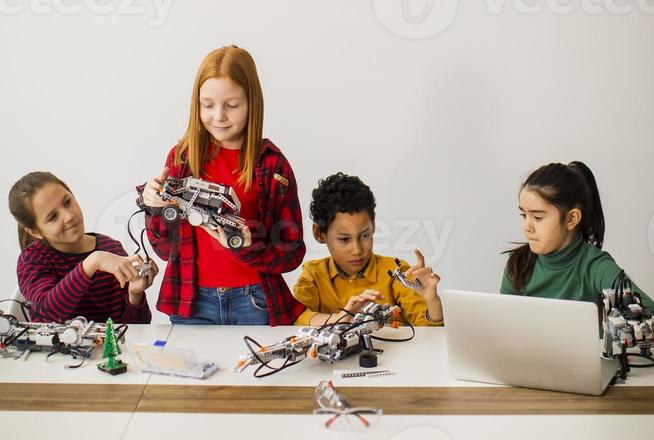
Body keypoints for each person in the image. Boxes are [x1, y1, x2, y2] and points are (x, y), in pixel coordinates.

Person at [138, 45, 305, 325]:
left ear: (252, 102)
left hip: (255, 299)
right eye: (208, 105)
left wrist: (249, 245)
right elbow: (166, 250)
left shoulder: (272, 165)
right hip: (192, 301)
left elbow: (292, 251)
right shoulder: (182, 159)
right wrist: (153, 206)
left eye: (231, 105)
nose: (219, 116)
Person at [293, 172, 443, 326]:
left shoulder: (396, 272)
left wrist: (432, 301)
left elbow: (428, 331)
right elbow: (296, 320)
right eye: (344, 239)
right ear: (319, 234)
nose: (357, 250)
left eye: (365, 235)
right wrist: (342, 318)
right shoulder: (313, 276)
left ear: (373, 226)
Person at [501, 160, 654, 311]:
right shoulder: (517, 265)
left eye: (538, 217)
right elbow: (505, 323)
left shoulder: (596, 268)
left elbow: (648, 312)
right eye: (524, 215)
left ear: (571, 219)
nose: (527, 227)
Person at [10, 171, 155, 323]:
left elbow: (137, 330)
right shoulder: (32, 259)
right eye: (53, 217)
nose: (69, 216)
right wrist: (92, 262)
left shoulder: (111, 248)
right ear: (35, 231)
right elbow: (47, 313)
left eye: (67, 202)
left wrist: (135, 295)